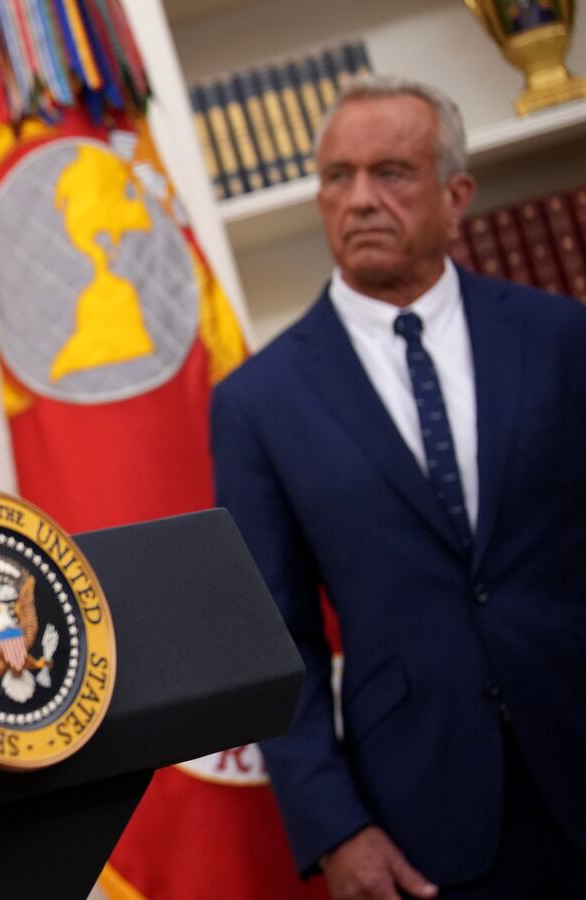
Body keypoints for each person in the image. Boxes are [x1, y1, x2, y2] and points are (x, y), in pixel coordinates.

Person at [212, 75, 586, 899]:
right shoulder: (258, 404)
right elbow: (275, 640)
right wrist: (333, 826)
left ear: (456, 197)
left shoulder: (561, 337)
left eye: (392, 173)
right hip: (426, 822)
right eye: (337, 177)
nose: (360, 200)